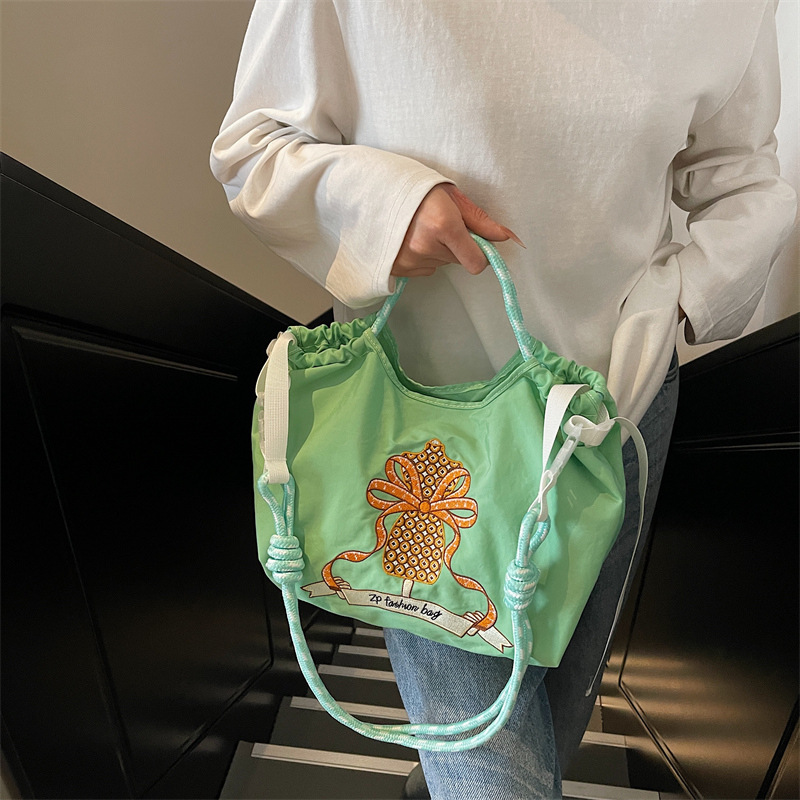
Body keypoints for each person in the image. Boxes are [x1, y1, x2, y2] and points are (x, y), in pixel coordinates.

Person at [211, 2, 796, 797]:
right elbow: (254, 147)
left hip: (615, 408)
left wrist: (685, 297)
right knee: (494, 771)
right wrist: (384, 207)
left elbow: (742, 176)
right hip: (428, 423)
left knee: (562, 694)